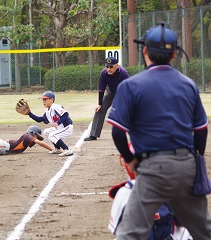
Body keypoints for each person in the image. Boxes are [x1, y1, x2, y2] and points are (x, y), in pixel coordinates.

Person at [107, 22, 211, 239]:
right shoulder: (188, 84)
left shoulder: (131, 85)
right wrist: (196, 160)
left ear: (144, 51)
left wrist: (130, 159)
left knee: (130, 233)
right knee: (204, 232)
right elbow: (200, 131)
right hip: (187, 168)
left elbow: (118, 132)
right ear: (174, 54)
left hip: (154, 170)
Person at [84, 56, 129, 141]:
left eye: (111, 67)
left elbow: (128, 87)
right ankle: (94, 134)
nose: (108, 69)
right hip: (111, 93)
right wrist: (99, 104)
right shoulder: (103, 73)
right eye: (106, 66)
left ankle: (137, 133)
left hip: (123, 94)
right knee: (99, 110)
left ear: (117, 66)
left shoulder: (123, 73)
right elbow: (101, 89)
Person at [28, 91, 74, 157]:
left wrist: (58, 123)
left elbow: (65, 114)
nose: (43, 101)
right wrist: (29, 113)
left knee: (52, 135)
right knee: (47, 132)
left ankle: (67, 149)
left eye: (45, 99)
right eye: (43, 99)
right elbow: (39, 119)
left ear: (51, 100)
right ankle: (58, 148)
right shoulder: (47, 111)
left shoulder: (55, 107)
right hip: (60, 128)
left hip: (66, 128)